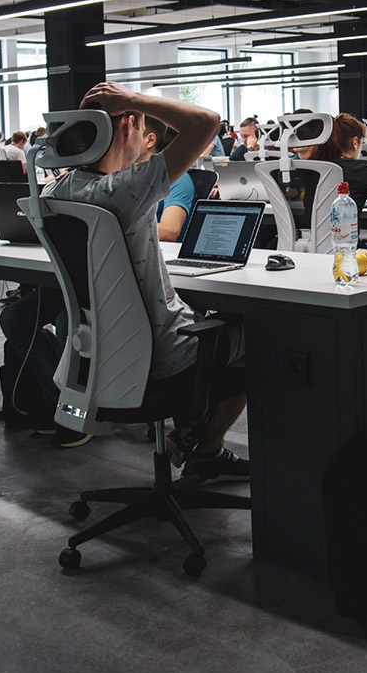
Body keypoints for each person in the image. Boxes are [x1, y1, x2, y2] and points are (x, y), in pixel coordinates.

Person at [45, 82, 249, 481]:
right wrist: (134, 100)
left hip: (99, 357)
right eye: (138, 125)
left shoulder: (57, 191)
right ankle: (206, 449)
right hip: (162, 355)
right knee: (255, 334)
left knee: (205, 325)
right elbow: (207, 122)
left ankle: (190, 432)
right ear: (128, 127)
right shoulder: (124, 189)